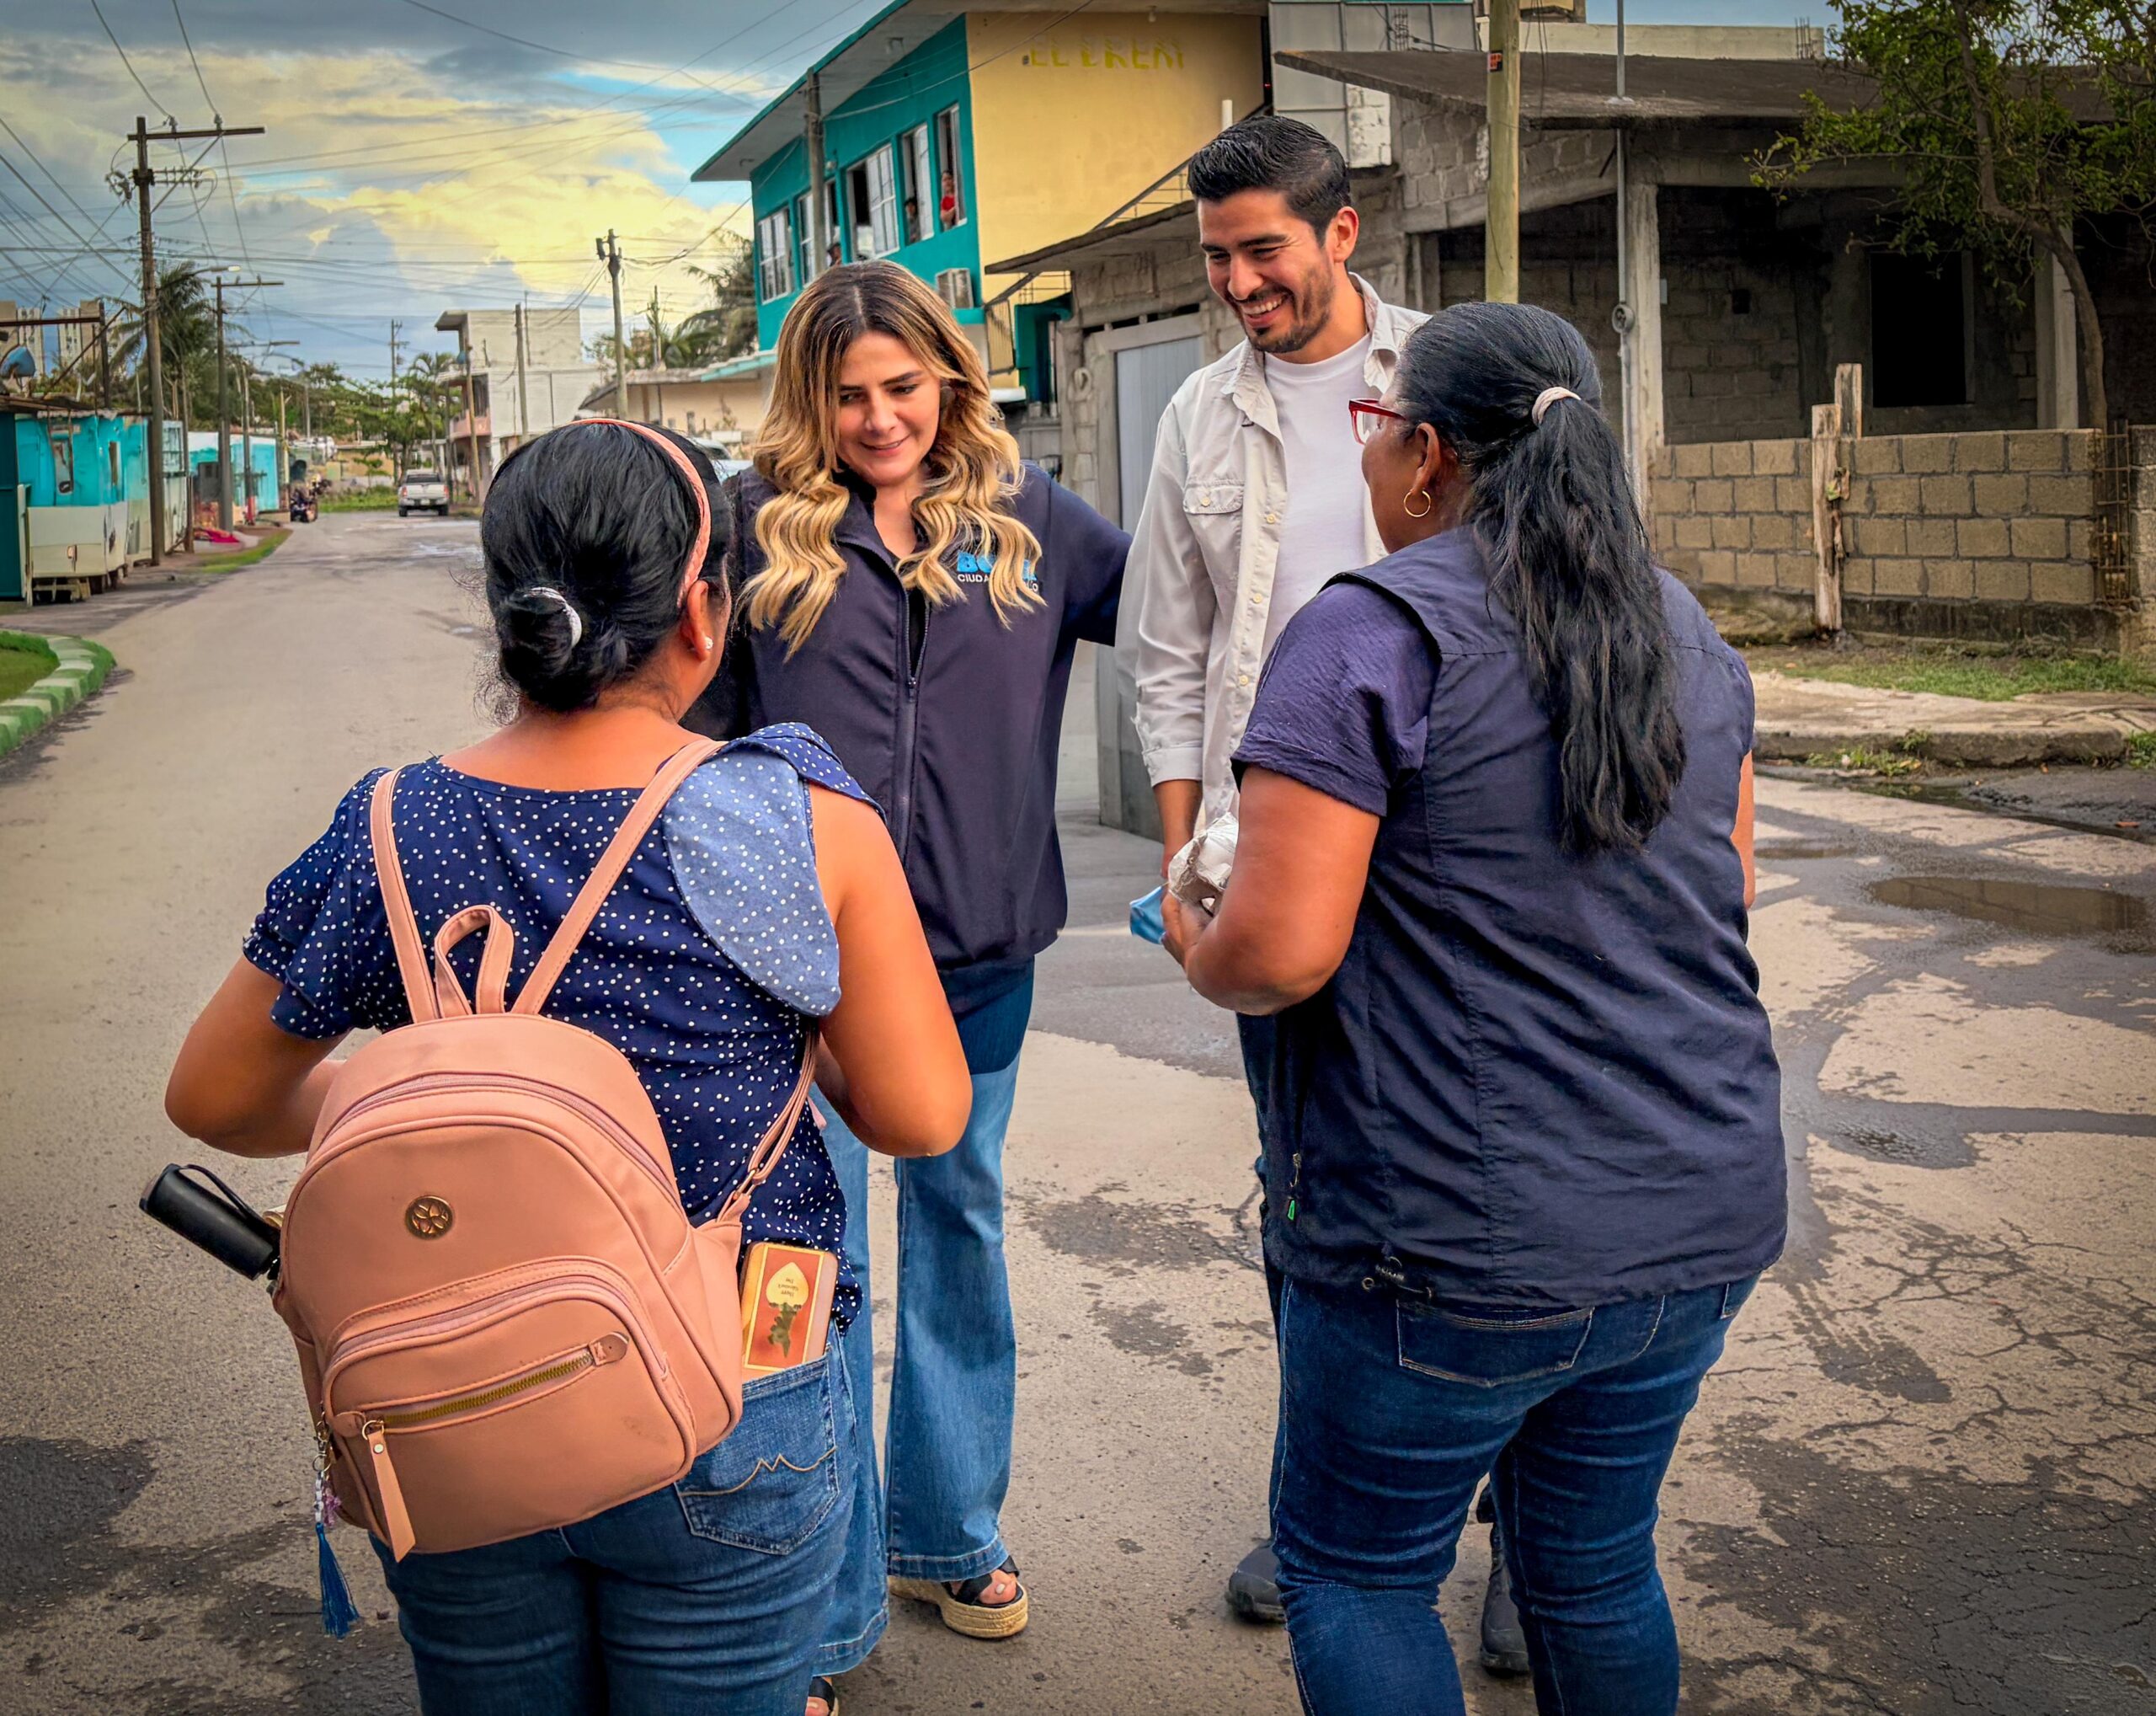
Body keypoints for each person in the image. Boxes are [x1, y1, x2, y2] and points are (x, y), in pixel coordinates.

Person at [164, 418, 973, 1716]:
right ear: (703, 616)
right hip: (730, 1385)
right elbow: (922, 1113)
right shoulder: (789, 813)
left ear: (504, 618)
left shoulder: (389, 822)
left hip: (455, 1395)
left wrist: (427, 1088)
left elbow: (215, 1095)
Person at [1164, 301, 1785, 1714]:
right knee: (1595, 1567)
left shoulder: (1373, 630)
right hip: (1695, 1226)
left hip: (1448, 1250)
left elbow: (1280, 954)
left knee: (1362, 1571)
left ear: (1429, 456)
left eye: (1376, 437)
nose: (1372, 465)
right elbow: (1722, 892)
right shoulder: (1685, 632)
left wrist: (1198, 931)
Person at [1116, 114, 1529, 1655]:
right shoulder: (1196, 423)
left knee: (1487, 1188)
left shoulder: (1455, 379)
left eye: (1262, 249)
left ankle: (1520, 1542)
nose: (1238, 280)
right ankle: (1333, 1512)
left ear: (1341, 233)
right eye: (1218, 255)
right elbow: (1168, 659)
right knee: (1309, 1199)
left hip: (1466, 866)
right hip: (1275, 859)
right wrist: (1181, 862)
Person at [690, 260, 1128, 1714]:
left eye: (903, 385)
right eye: (848, 395)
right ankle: (809, 1598)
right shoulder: (758, 534)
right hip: (789, 969)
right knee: (808, 1272)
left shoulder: (1038, 525)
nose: (880, 419)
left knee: (956, 1229)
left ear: (953, 374)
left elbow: (1201, 617)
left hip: (981, 960)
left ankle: (943, 1531)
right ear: (809, 404)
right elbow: (691, 748)